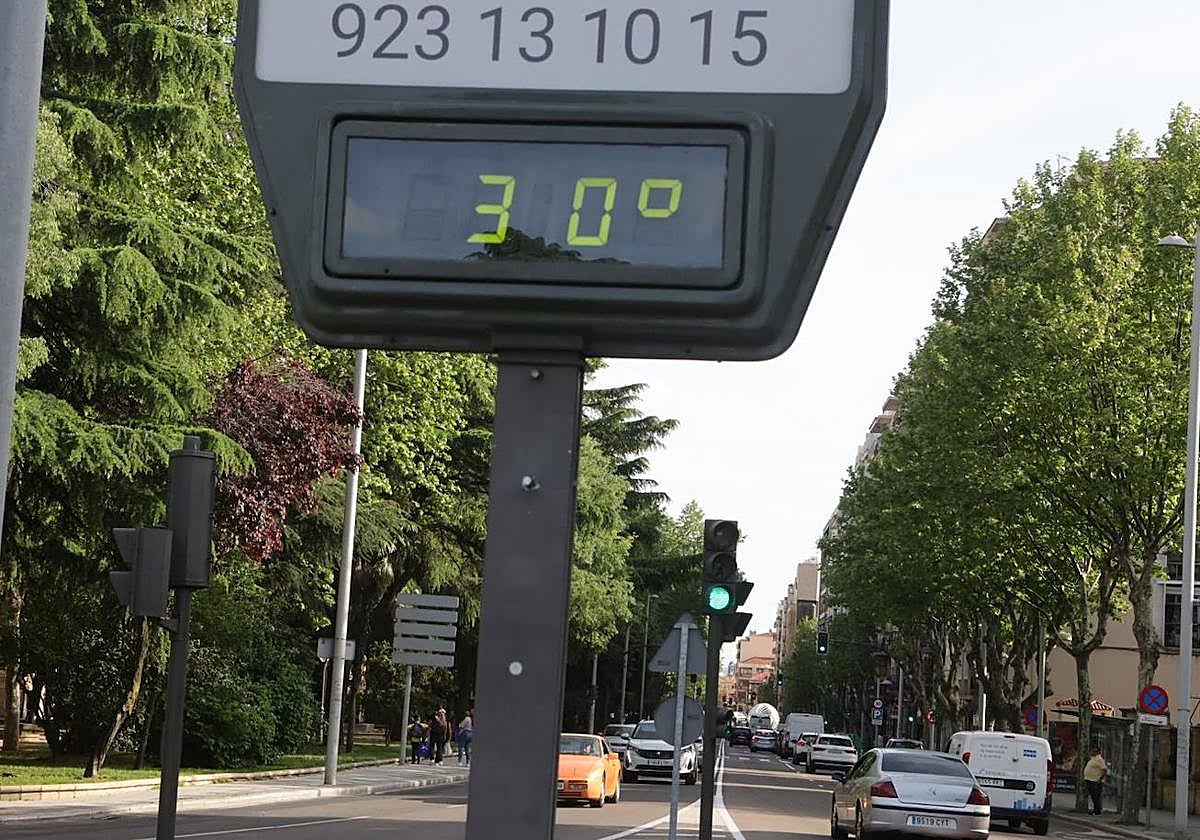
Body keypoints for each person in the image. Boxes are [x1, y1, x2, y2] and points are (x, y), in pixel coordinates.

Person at [1083, 745, 1108, 815]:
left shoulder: (1099, 759)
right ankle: (1096, 809)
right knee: (1093, 796)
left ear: (1098, 752)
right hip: (1090, 779)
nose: (1092, 752)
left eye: (1095, 751)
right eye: (1092, 751)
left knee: (1095, 796)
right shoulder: (1093, 758)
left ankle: (1097, 810)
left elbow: (1104, 769)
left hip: (1095, 780)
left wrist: (1100, 778)